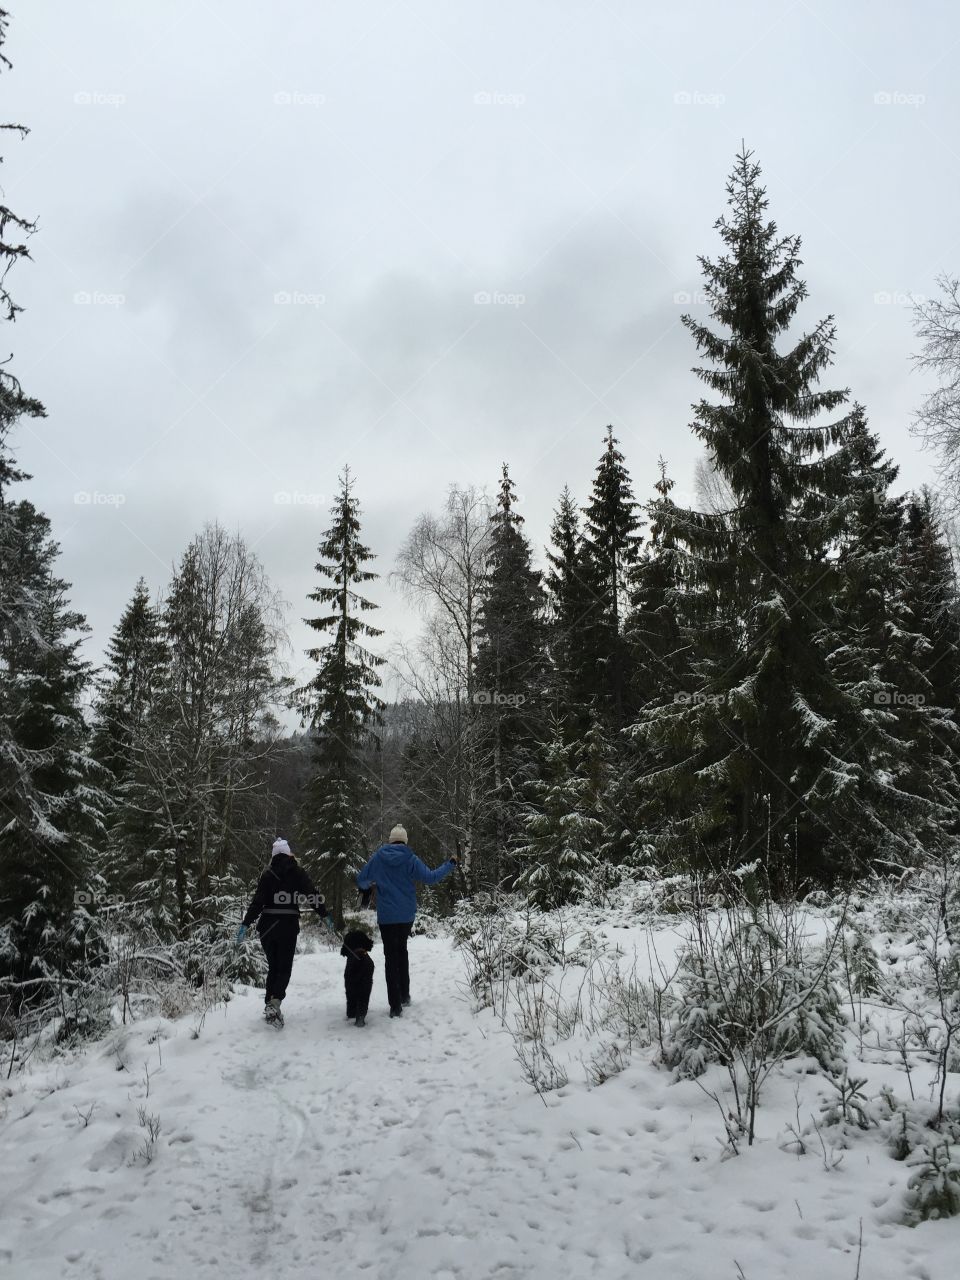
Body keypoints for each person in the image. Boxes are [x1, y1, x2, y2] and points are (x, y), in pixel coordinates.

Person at [356, 824, 457, 1018]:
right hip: (406, 916)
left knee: (390, 957)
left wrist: (372, 884)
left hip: (386, 917)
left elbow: (361, 880)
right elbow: (431, 877)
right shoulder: (410, 859)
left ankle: (395, 1005)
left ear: (390, 840)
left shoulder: (378, 858)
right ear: (405, 840)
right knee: (402, 950)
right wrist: (450, 863)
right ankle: (405, 994)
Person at [237, 837, 334, 1025]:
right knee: (284, 968)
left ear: (274, 856)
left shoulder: (267, 875)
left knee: (274, 967)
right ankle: (274, 1002)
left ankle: (270, 1004)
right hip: (288, 926)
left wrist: (245, 924)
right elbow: (312, 895)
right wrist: (324, 914)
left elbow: (257, 903)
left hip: (267, 927)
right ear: (289, 853)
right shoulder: (297, 872)